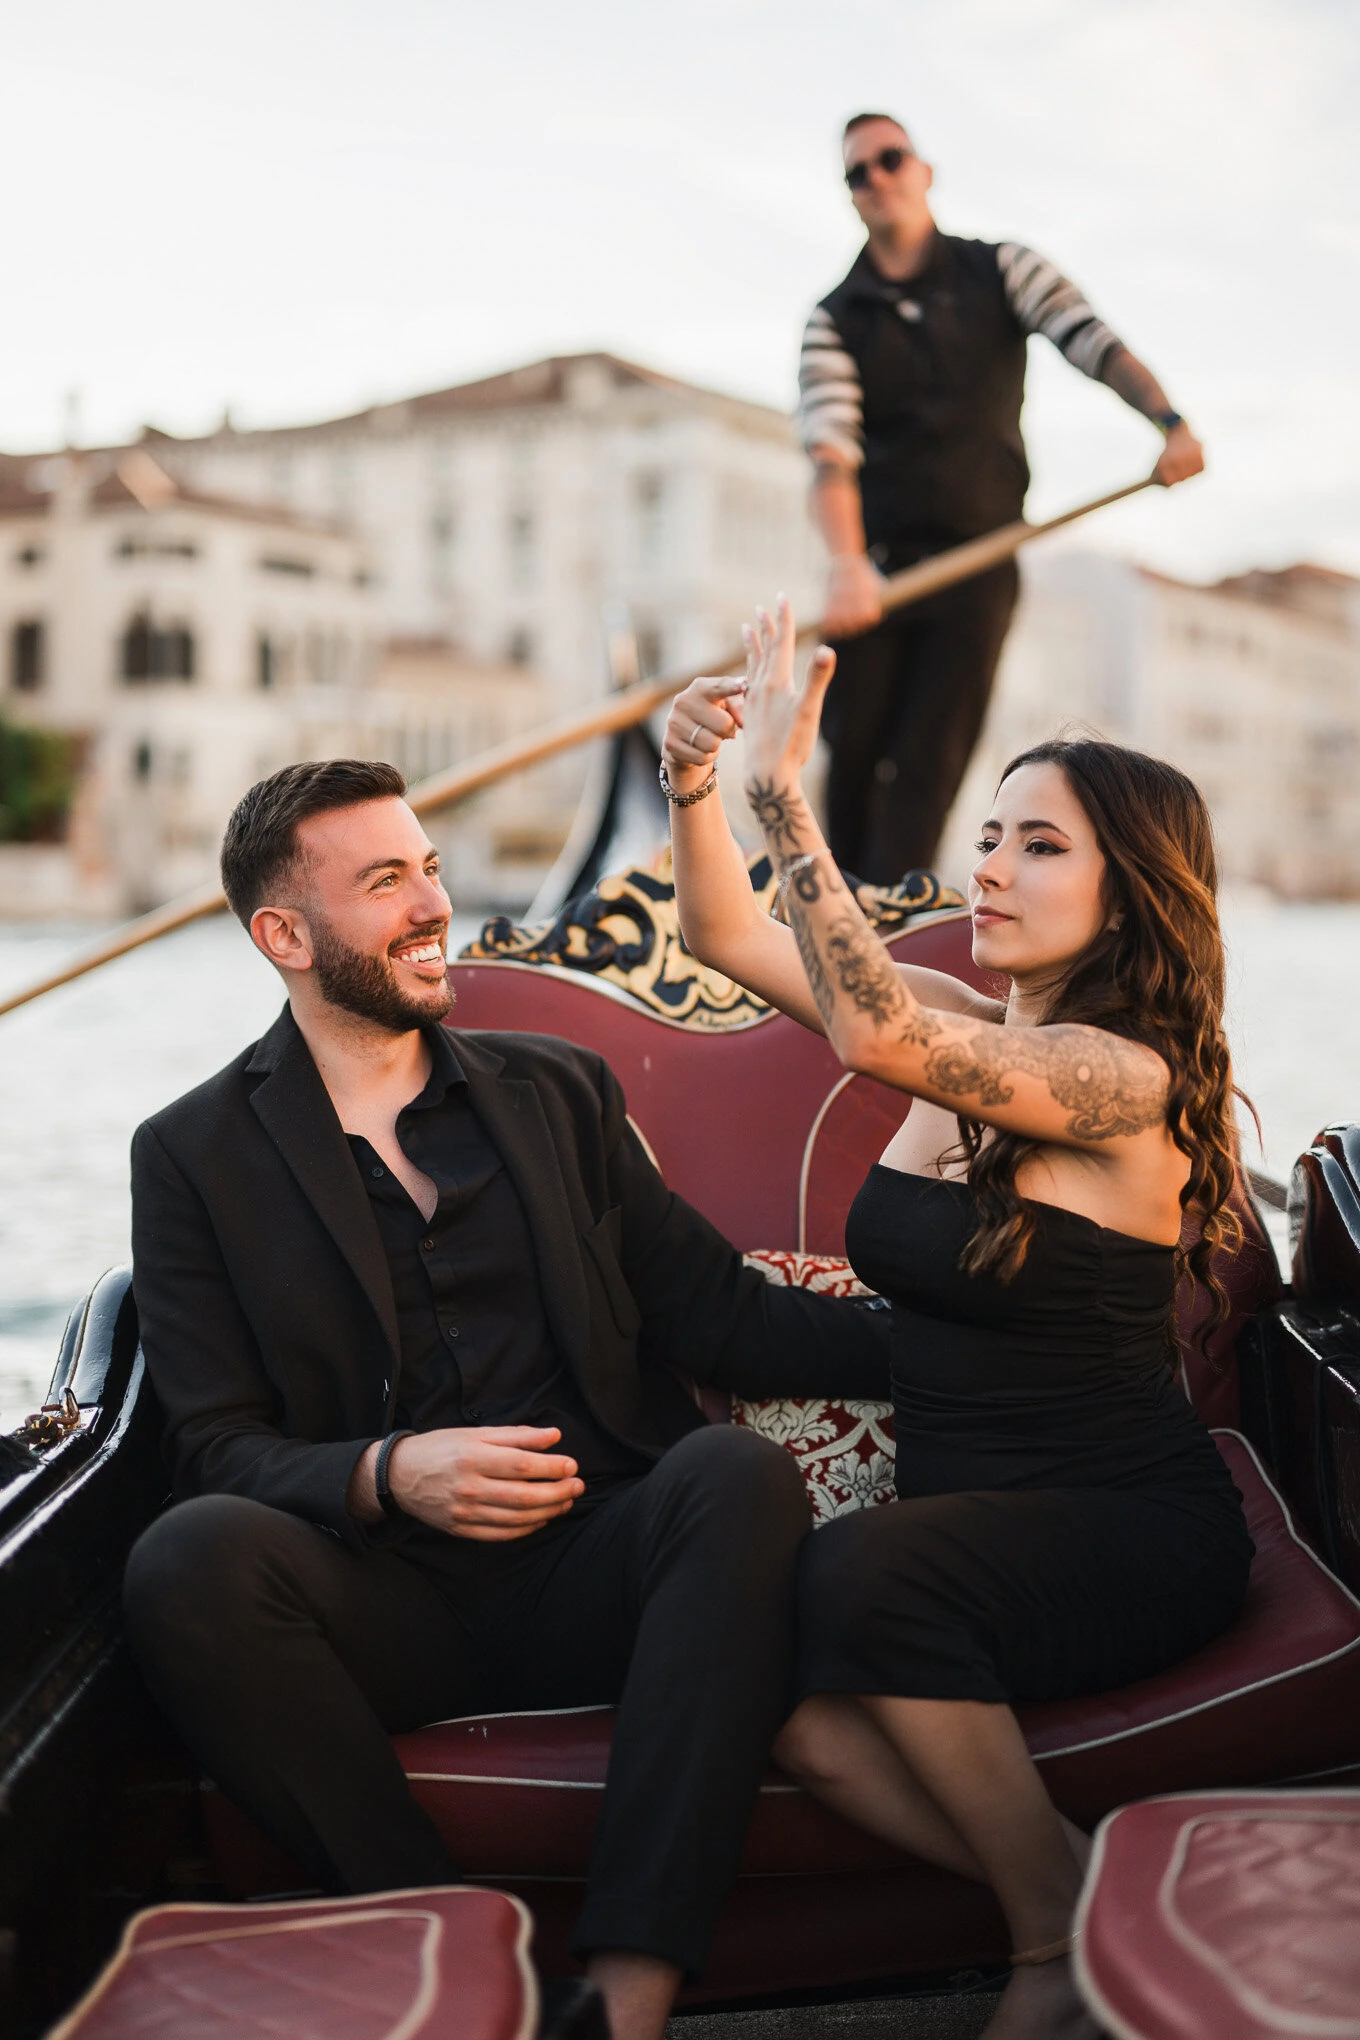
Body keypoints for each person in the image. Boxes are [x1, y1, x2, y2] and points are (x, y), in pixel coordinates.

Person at [120, 758, 893, 2040]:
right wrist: (386, 1472)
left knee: (732, 1474)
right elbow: (213, 1446)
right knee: (185, 1558)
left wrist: (986, 1334)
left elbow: (725, 1317)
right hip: (382, 1598)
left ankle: (631, 1995)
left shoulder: (555, 1091)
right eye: (385, 882)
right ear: (283, 935)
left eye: (428, 866)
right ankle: (464, 1972)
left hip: (603, 1560)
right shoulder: (191, 1152)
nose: (432, 903)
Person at [661, 608, 1252, 2040]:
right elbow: (721, 933)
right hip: (966, 1524)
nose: (992, 864)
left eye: (1041, 844)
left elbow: (870, 1037)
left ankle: (1050, 1961)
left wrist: (786, 798)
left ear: (1138, 890)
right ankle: (1077, 1890)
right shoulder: (955, 1030)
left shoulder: (1120, 1079)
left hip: (1122, 1523)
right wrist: (691, 779)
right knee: (790, 1714)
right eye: (991, 834)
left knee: (858, 1579)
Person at [801, 110, 1206, 885]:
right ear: (851, 195)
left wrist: (1169, 421)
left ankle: (887, 926)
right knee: (850, 761)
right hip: (880, 574)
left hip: (982, 560)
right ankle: (830, 924)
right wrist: (846, 562)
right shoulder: (834, 320)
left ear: (923, 171)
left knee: (930, 761)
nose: (877, 178)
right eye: (858, 172)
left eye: (890, 159)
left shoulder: (1003, 269)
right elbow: (830, 454)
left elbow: (1090, 339)